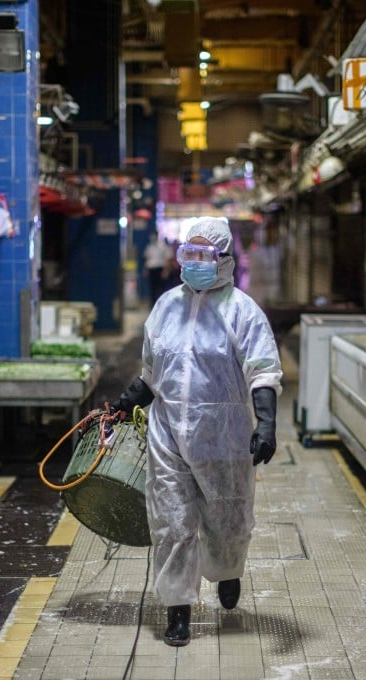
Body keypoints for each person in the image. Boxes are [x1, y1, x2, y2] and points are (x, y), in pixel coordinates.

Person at [108, 217, 282, 647]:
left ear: (224, 260)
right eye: (190, 254)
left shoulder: (243, 311)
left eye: (205, 255)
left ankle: (227, 570)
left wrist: (267, 422)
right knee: (171, 523)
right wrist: (122, 405)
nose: (195, 263)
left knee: (227, 517)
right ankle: (178, 610)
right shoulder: (166, 305)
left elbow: (263, 371)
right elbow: (151, 372)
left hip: (222, 433)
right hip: (167, 431)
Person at [143, 231, 173, 304]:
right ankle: (153, 304)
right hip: (151, 269)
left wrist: (165, 271)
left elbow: (168, 258)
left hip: (160, 269)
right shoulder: (149, 247)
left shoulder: (163, 246)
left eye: (154, 235)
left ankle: (161, 303)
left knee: (161, 288)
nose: (152, 237)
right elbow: (147, 258)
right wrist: (146, 269)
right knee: (152, 288)